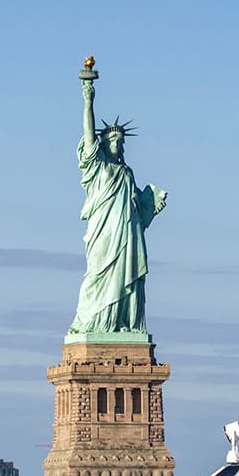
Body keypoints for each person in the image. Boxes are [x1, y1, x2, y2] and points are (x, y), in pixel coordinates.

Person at [67, 76, 167, 336]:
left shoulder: (127, 173)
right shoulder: (97, 168)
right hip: (104, 232)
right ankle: (94, 322)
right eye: (113, 140)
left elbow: (139, 214)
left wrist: (150, 206)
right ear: (104, 144)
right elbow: (89, 136)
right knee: (96, 276)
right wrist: (88, 100)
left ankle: (123, 322)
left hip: (128, 233)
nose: (118, 144)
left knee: (127, 276)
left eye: (121, 142)